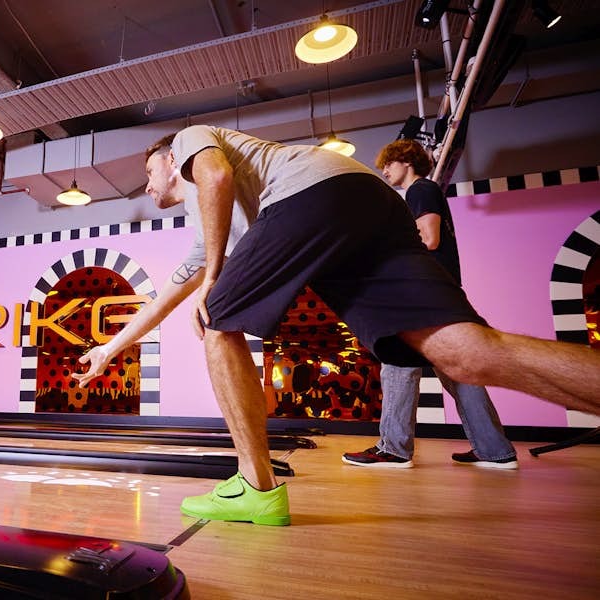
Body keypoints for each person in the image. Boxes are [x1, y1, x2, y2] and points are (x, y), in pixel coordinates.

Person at [78, 125, 600, 527]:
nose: (147, 186)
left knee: (217, 319)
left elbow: (214, 176)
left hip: (315, 191)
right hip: (369, 204)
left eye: (149, 172)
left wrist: (216, 277)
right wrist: (110, 349)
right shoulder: (217, 222)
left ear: (173, 160)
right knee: (465, 352)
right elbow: (169, 293)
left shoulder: (195, 142)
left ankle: (255, 490)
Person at [342, 140, 517, 469]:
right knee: (459, 371)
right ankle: (495, 450)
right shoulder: (423, 192)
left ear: (406, 162)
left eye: (388, 164)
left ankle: (393, 448)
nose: (384, 171)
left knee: (398, 360)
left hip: (423, 294)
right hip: (439, 292)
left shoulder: (420, 189)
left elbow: (429, 238)